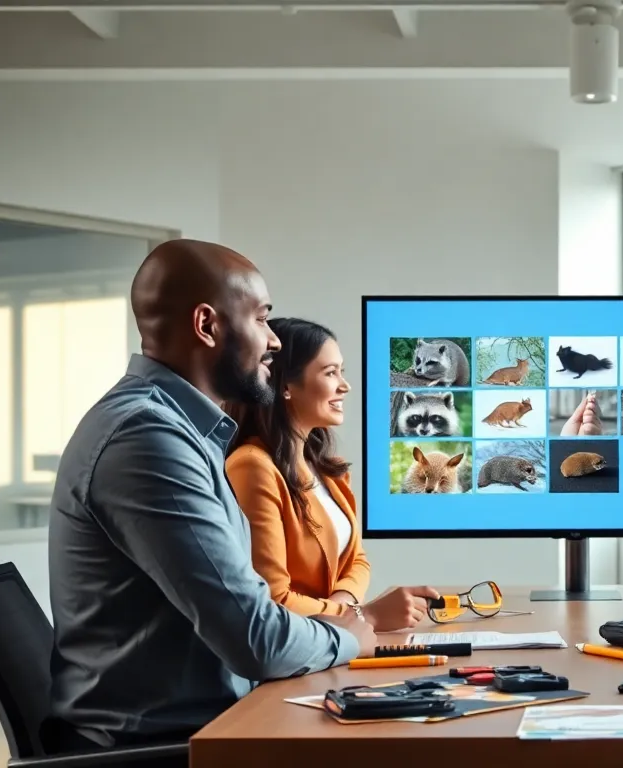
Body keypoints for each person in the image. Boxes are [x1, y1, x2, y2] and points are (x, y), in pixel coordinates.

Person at [45, 240, 375, 756]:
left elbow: (251, 610)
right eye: (263, 319)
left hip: (212, 719)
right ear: (207, 325)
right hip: (168, 744)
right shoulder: (148, 439)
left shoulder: (182, 432)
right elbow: (257, 638)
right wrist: (354, 638)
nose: (274, 341)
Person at [224, 317, 440, 630]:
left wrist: (343, 613)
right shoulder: (252, 467)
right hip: (293, 656)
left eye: (341, 371)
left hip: (332, 644)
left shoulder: (327, 469)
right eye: (330, 373)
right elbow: (272, 600)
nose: (345, 385)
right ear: (285, 385)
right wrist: (362, 617)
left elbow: (358, 562)